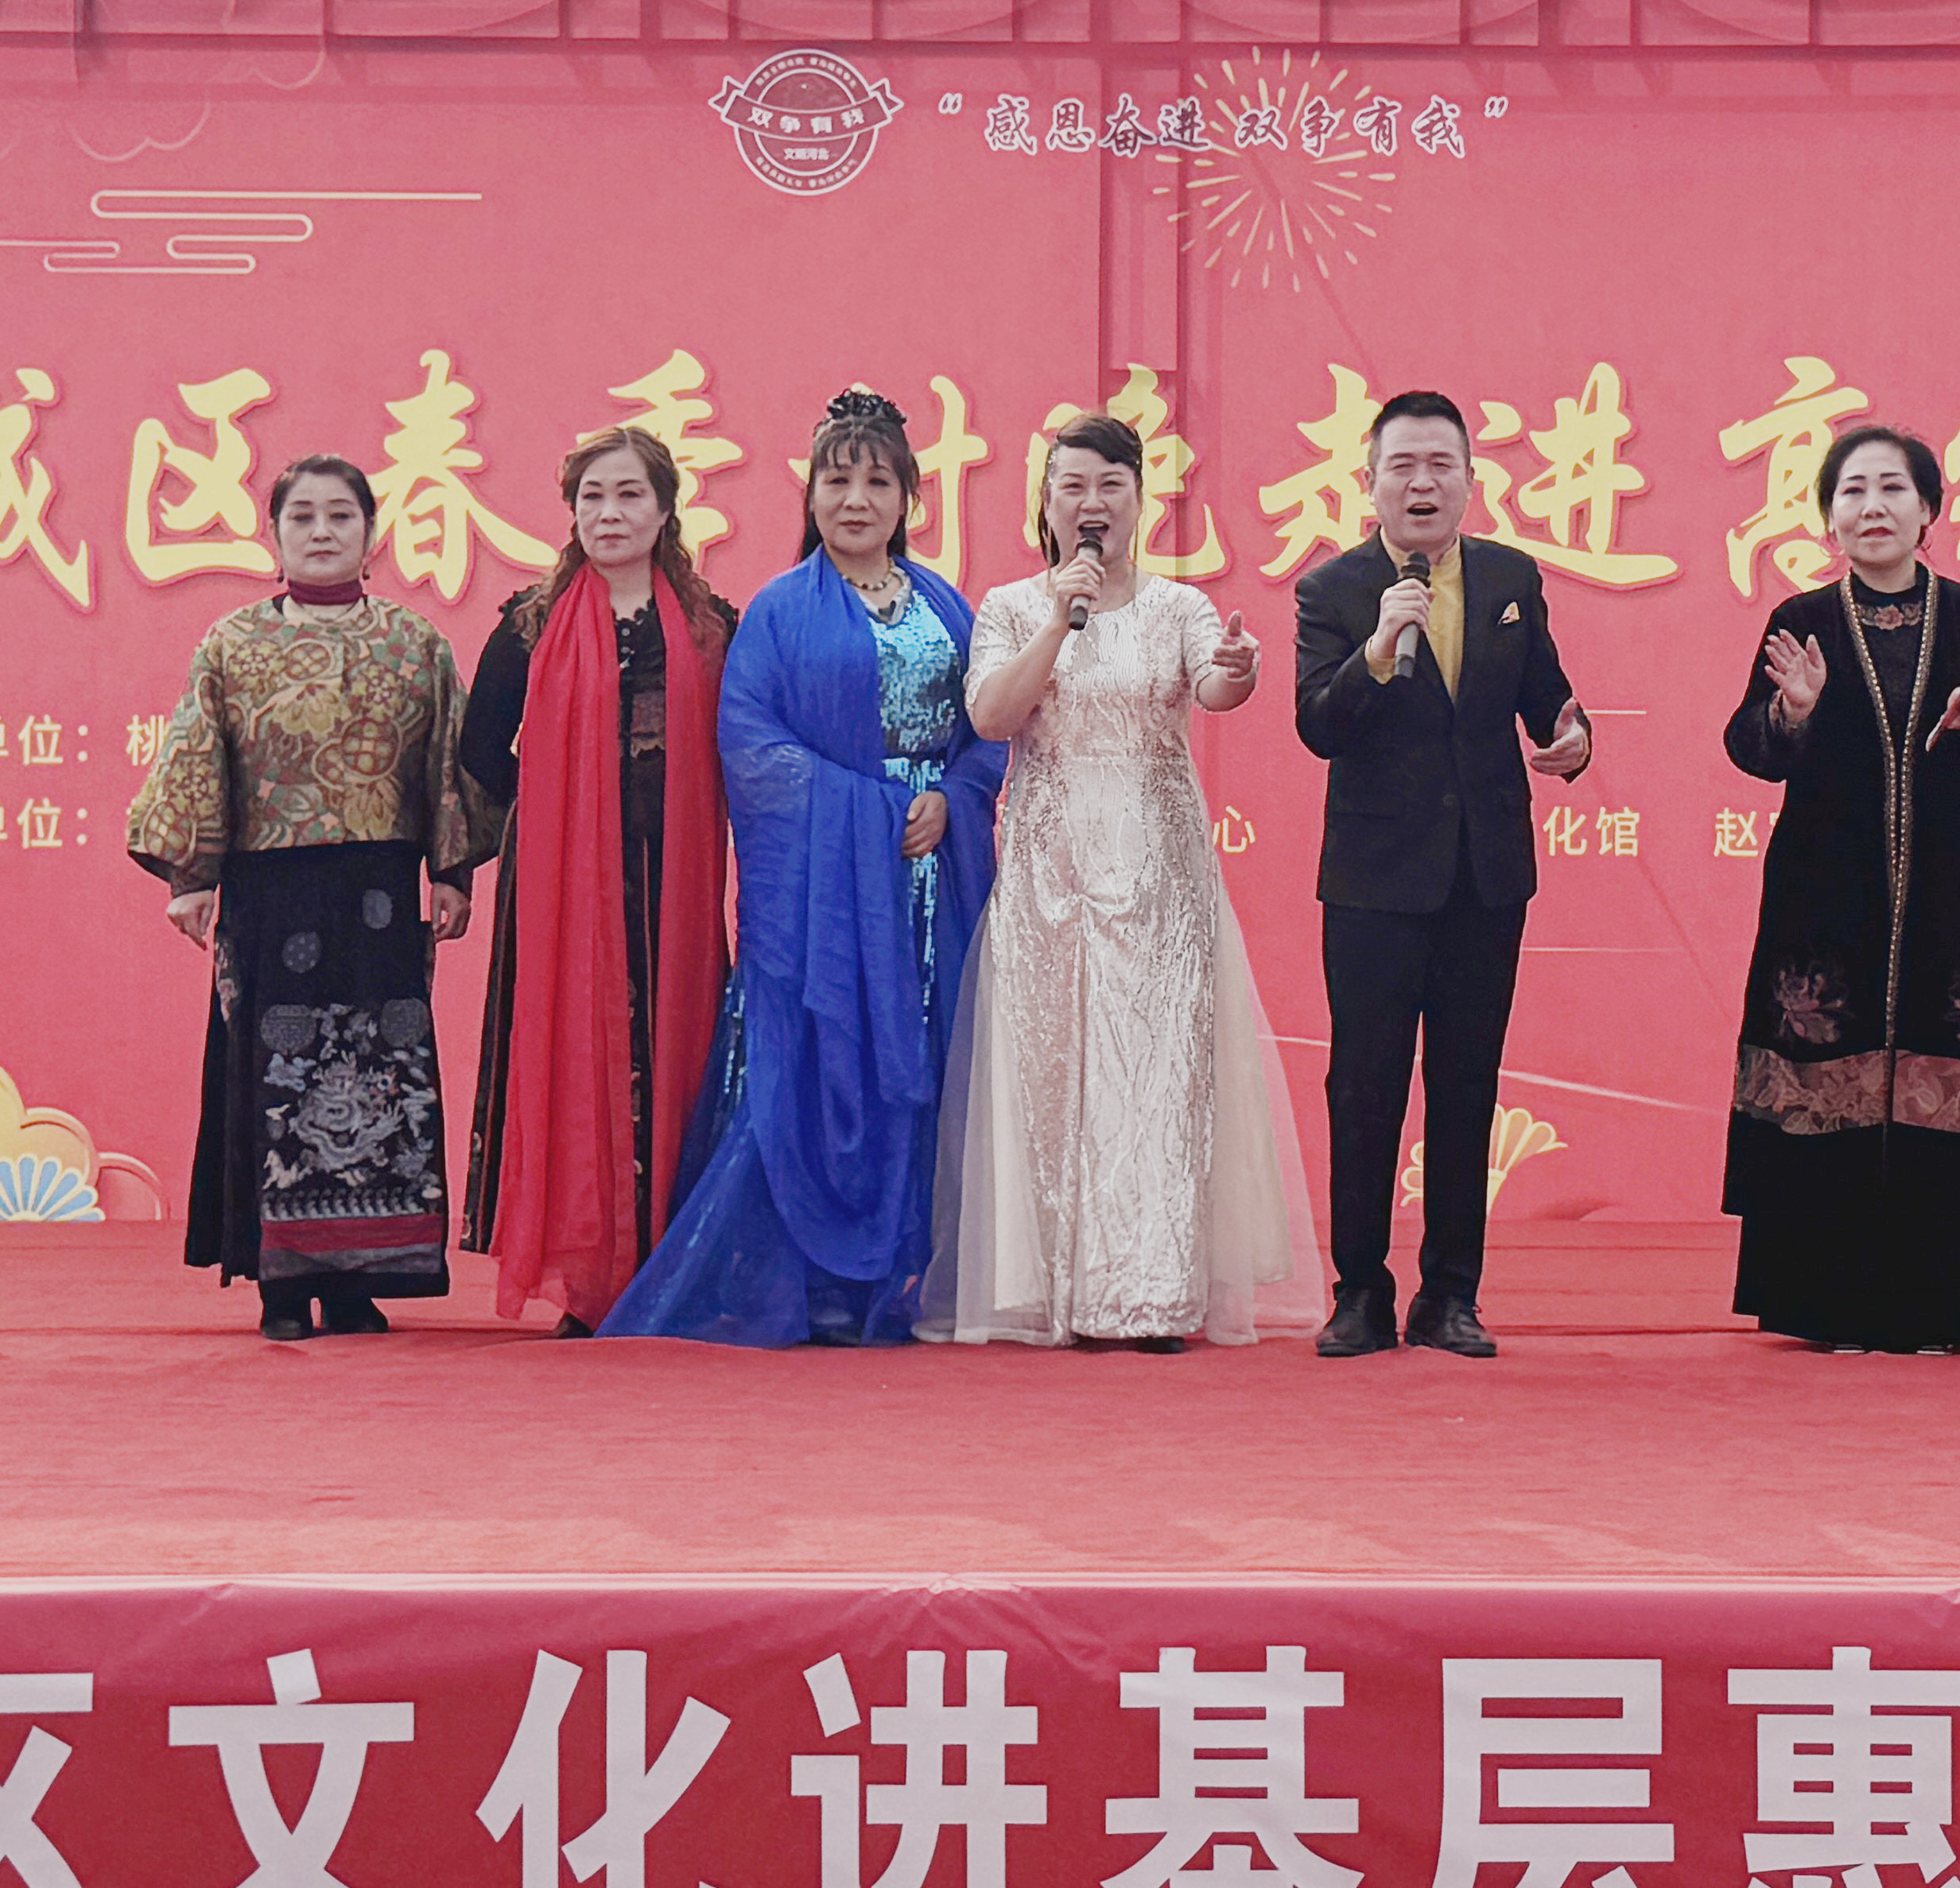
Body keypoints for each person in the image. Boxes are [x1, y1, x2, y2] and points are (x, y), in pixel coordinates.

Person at [602, 387, 1006, 1347]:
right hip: (828, 891)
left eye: (877, 482)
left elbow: (988, 726)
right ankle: (815, 1273)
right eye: (837, 480)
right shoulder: (780, 612)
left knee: (928, 1060)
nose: (855, 500)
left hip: (933, 876)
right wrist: (873, 812)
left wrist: (954, 796)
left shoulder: (948, 606)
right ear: (810, 494)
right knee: (818, 1058)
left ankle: (911, 1268)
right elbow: (750, 746)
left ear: (909, 498)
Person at [929, 413, 1322, 1351]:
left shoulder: (1179, 608)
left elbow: (1216, 688)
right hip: (1049, 876)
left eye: (1110, 484)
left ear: (1141, 501)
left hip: (1158, 879)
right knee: (1053, 1075)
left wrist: (1238, 671)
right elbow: (991, 716)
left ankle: (1150, 1296)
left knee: (1155, 1077)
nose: (1091, 502)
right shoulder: (1012, 607)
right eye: (1072, 485)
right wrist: (1058, 621)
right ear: (1046, 504)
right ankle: (1048, 1290)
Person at [1722, 425, 1960, 1352]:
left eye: (1891, 489)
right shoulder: (1801, 618)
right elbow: (1748, 747)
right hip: (1822, 896)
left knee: (1951, 1071)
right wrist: (1790, 711)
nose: (1871, 507)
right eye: (1852, 492)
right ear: (1827, 518)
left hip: (1957, 894)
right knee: (1825, 1074)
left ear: (1928, 511)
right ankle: (1826, 1304)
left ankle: (1952, 1306)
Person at [127, 456, 472, 1342]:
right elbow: (197, 759)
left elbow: (448, 765)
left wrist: (452, 871)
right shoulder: (232, 644)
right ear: (273, 534)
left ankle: (360, 1279)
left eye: (341, 515)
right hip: (271, 894)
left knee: (383, 1072)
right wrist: (194, 878)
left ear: (371, 533)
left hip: (379, 895)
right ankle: (281, 1282)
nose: (322, 531)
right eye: (303, 516)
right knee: (274, 1069)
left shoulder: (416, 643)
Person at [1292, 390, 1593, 1359]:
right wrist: (1378, 650)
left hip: (1484, 876)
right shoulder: (1333, 591)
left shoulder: (1510, 577)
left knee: (1466, 1084)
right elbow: (1317, 725)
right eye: (1402, 467)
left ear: (1470, 480)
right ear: (1370, 482)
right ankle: (1360, 1292)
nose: (1421, 484)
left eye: (1440, 466)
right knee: (1365, 1086)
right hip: (1373, 881)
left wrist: (1574, 740)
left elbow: (1550, 700)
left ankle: (1450, 1295)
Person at [456, 426, 738, 1336]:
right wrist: (541, 816)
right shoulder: (527, 625)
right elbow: (479, 756)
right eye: (592, 497)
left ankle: (671, 1267)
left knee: (672, 1062)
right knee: (575, 1064)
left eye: (629, 495)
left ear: (665, 510)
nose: (609, 514)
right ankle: (584, 1275)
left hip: (672, 887)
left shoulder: (713, 628)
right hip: (561, 893)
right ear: (571, 512)